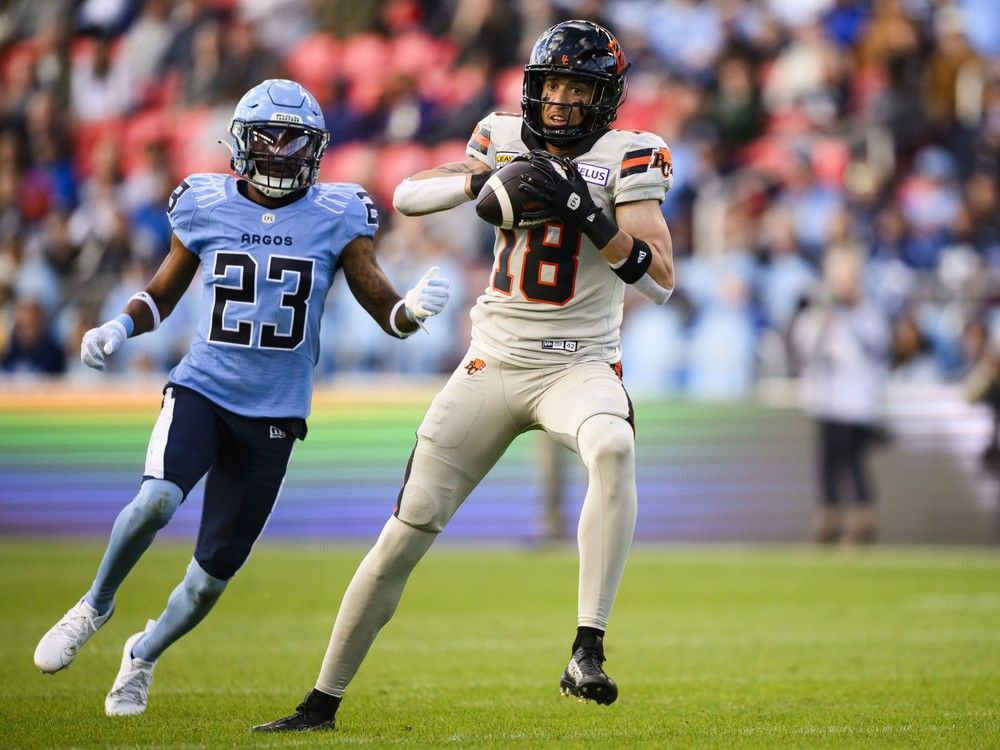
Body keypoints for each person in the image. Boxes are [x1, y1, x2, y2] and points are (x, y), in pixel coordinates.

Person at [253, 20, 675, 732]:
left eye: (580, 87)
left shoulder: (630, 154)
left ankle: (586, 648)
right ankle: (319, 702)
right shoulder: (501, 137)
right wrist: (484, 178)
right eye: (556, 85)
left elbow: (660, 279)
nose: (564, 101)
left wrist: (579, 208)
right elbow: (411, 195)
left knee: (613, 447)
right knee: (402, 536)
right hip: (493, 361)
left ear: (604, 98)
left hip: (580, 365)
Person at [32, 78, 450, 717]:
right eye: (269, 139)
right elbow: (163, 291)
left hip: (277, 414)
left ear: (314, 148)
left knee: (207, 583)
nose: (280, 154)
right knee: (155, 499)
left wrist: (414, 311)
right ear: (243, 142)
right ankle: (94, 603)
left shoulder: (339, 214)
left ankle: (142, 654)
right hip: (202, 387)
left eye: (293, 143)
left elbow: (386, 313)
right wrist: (118, 326)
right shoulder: (204, 202)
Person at [790, 245, 890, 543]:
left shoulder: (867, 312)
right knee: (827, 462)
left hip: (856, 402)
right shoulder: (820, 313)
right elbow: (804, 347)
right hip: (826, 400)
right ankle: (829, 515)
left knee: (853, 459)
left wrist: (842, 320)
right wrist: (824, 320)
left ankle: (862, 516)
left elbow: (873, 349)